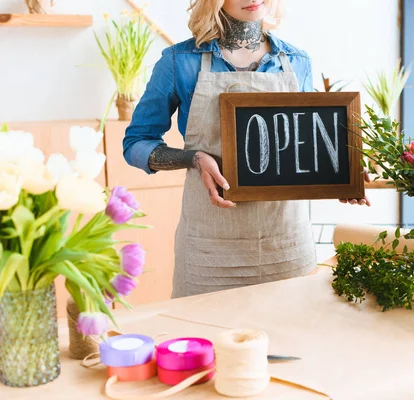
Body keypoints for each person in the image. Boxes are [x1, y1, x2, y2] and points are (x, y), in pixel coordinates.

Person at [123, 0, 369, 299]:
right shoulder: (179, 61)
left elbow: (304, 142)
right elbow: (136, 143)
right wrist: (193, 159)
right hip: (210, 249)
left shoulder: (296, 60)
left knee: (291, 337)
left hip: (287, 245)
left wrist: (341, 173)